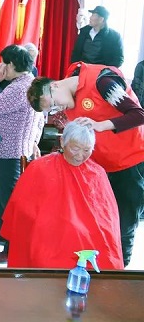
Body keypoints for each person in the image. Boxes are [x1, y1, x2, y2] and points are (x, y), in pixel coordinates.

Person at [27, 63, 144, 267]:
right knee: (100, 224)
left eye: (54, 104)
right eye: (52, 110)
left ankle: (120, 274)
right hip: (101, 167)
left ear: (54, 86)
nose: (57, 109)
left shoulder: (103, 83)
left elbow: (139, 115)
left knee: (123, 227)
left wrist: (100, 125)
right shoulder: (70, 95)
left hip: (130, 164)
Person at [1, 122, 124, 269]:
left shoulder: (97, 173)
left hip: (89, 237)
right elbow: (21, 209)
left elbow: (108, 217)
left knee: (105, 252)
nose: (80, 156)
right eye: (75, 148)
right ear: (62, 142)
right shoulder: (40, 168)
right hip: (50, 235)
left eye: (87, 150)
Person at [0, 45, 42, 264]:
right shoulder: (27, 82)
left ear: (11, 65)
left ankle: (11, 247)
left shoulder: (19, 88)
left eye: (3, 62)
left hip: (12, 153)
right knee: (0, 193)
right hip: (8, 150)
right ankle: (0, 233)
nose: (0, 66)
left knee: (10, 202)